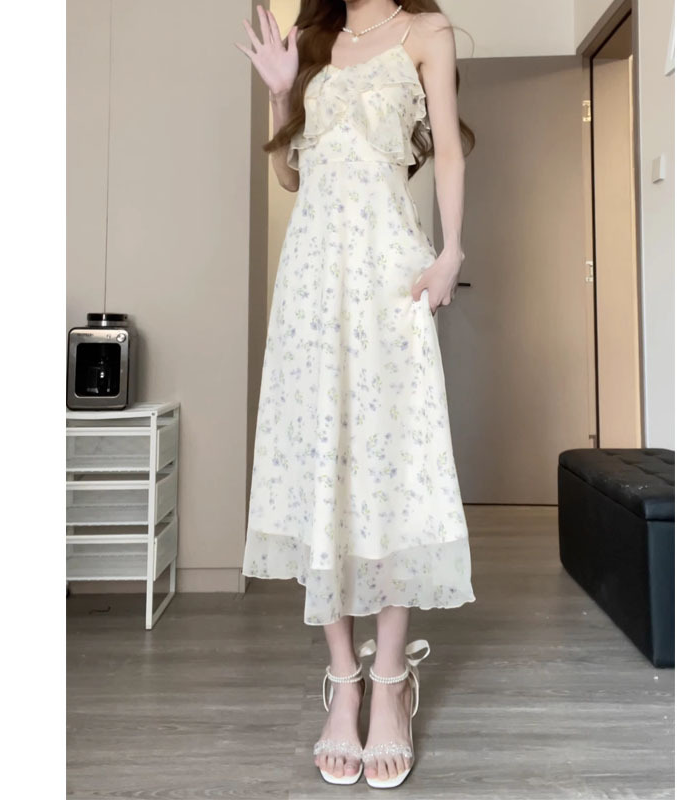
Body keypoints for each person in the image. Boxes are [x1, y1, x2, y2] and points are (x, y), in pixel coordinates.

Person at [236, 0, 476, 789]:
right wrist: (281, 94)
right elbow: (290, 173)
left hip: (388, 275)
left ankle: (391, 680)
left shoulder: (426, 33)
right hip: (310, 281)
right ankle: (343, 679)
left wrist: (451, 251)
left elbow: (447, 150)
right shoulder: (312, 39)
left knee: (391, 469)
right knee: (324, 469)